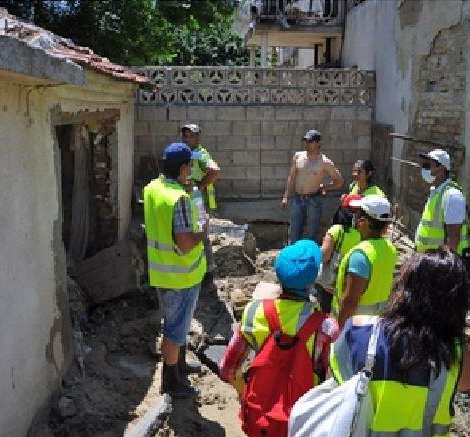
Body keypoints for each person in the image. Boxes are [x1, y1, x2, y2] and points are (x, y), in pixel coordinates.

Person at [330, 249, 470, 437]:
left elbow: (335, 386)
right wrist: (455, 326)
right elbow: (469, 381)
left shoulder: (359, 330)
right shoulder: (454, 348)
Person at [219, 239, 339, 403]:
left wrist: (246, 393)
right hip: (304, 413)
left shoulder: (254, 311)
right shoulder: (327, 327)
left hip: (262, 415)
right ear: (312, 281)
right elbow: (333, 383)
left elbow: (228, 370)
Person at [143, 142, 207, 398]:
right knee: (174, 330)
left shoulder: (154, 188)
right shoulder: (178, 199)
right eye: (190, 165)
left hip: (164, 271)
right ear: (182, 168)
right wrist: (203, 230)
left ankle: (179, 366)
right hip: (181, 276)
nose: (192, 170)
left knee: (177, 325)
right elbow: (185, 242)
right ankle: (171, 382)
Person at [332, 195, 397, 326]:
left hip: (355, 327)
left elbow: (350, 302)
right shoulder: (389, 248)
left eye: (358, 213)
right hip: (377, 324)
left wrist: (339, 330)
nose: (354, 216)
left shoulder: (360, 255)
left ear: (364, 222)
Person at [281, 129, 343, 244]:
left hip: (313, 200)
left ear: (318, 143)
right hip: (298, 199)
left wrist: (324, 187)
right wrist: (286, 197)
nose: (308, 144)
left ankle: (309, 258)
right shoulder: (298, 156)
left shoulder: (325, 162)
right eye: (307, 141)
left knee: (312, 232)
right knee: (294, 231)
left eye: (311, 141)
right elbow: (292, 177)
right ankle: (294, 257)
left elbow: (338, 181)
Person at [181, 123, 220, 284]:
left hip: (196, 198)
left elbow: (215, 170)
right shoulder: (186, 153)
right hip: (188, 196)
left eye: (191, 136)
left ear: (197, 137)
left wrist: (199, 186)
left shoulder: (200, 154)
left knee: (200, 232)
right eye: (185, 136)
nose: (187, 139)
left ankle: (208, 271)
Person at [415, 148, 470, 255]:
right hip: (430, 260)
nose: (424, 169)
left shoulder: (452, 196)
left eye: (428, 165)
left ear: (442, 168)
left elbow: (453, 238)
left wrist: (447, 266)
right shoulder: (435, 192)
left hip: (442, 265)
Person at [316, 194, 364, 313]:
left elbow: (325, 256)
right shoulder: (362, 234)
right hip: (348, 283)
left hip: (330, 283)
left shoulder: (336, 230)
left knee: (325, 314)